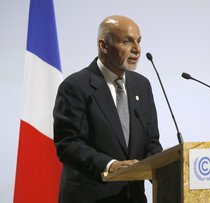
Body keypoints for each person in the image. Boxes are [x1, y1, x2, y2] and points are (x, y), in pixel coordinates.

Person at [53, 15, 163, 203]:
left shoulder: (142, 85)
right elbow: (68, 144)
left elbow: (150, 142)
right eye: (127, 41)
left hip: (133, 197)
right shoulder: (75, 86)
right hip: (91, 197)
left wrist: (166, 173)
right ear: (103, 46)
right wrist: (110, 165)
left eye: (138, 41)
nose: (137, 49)